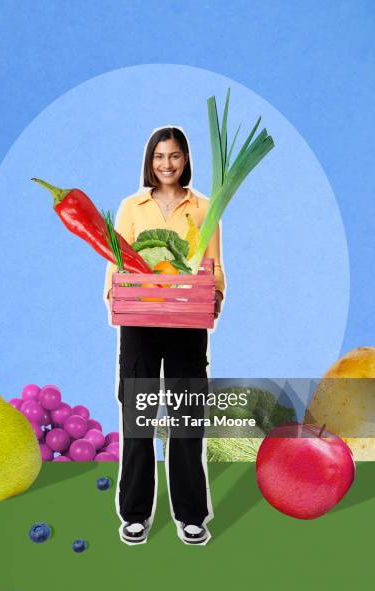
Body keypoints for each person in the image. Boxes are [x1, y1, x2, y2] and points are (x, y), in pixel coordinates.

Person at [104, 126, 225, 545]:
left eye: (174, 156)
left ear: (185, 160)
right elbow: (115, 258)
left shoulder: (205, 206)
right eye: (159, 156)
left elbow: (213, 263)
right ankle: (135, 513)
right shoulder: (131, 206)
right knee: (138, 419)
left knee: (186, 419)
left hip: (187, 321)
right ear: (149, 160)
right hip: (139, 321)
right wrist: (115, 297)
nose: (167, 164)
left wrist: (216, 293)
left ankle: (191, 514)